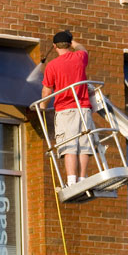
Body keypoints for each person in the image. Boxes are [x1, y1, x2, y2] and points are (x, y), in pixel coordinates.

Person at [40, 31, 95, 187]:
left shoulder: (52, 66)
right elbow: (82, 48)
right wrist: (73, 42)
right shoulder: (80, 58)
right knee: (84, 145)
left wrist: (43, 106)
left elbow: (47, 90)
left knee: (69, 146)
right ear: (69, 44)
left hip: (65, 110)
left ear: (54, 46)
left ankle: (71, 181)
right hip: (84, 108)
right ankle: (83, 179)